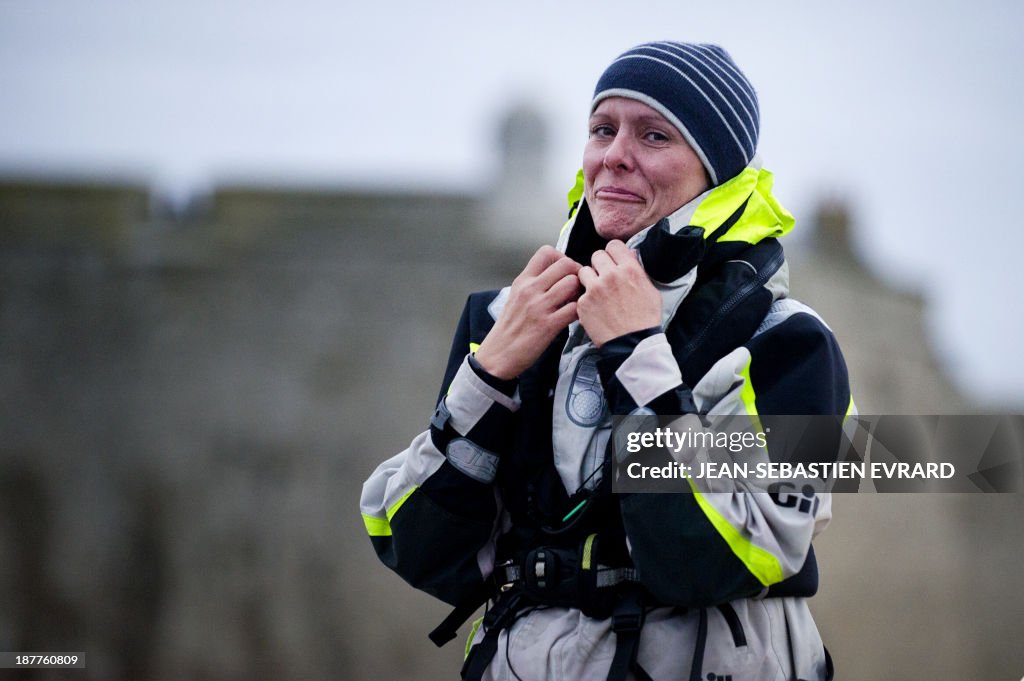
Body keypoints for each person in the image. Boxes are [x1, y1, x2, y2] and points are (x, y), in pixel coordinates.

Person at [361, 41, 851, 681]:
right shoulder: (504, 320)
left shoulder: (790, 342)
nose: (614, 154)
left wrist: (636, 355)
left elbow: (710, 560)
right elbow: (418, 550)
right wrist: (488, 376)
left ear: (718, 172)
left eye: (653, 135)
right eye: (601, 129)